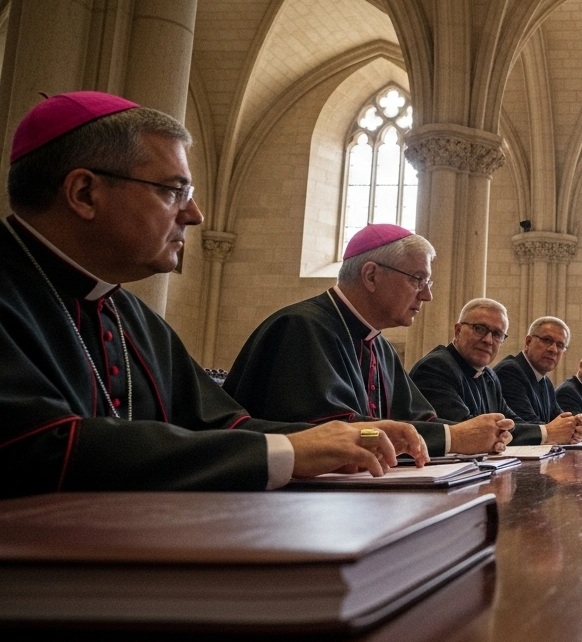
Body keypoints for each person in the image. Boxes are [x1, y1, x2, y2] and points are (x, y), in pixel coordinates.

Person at [1, 92, 427, 497]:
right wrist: (286, 451)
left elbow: (223, 424)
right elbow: (36, 449)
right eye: (174, 191)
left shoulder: (130, 315)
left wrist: (359, 435)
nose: (195, 214)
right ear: (83, 193)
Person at [224, 224, 513, 456]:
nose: (427, 295)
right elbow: (331, 432)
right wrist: (453, 437)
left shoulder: (380, 346)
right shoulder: (301, 328)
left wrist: (478, 434)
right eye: (417, 279)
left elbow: (417, 420)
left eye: (428, 283)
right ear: (372, 275)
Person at [408, 297, 541, 447]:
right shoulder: (436, 367)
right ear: (458, 331)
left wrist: (547, 432)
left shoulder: (489, 376)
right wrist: (546, 432)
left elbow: (512, 422)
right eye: (479, 329)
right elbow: (468, 430)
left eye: (497, 334)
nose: (488, 340)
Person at [495, 317, 582, 444]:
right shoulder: (510, 371)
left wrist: (577, 425)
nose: (553, 349)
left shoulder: (545, 381)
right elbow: (526, 425)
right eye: (546, 340)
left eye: (560, 345)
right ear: (528, 342)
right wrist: (566, 430)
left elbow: (559, 418)